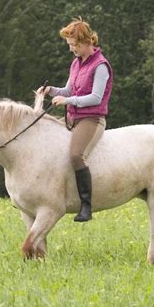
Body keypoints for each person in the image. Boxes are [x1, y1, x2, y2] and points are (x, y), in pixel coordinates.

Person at [38, 17, 114, 222]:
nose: (72, 49)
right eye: (70, 45)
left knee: (75, 155)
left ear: (87, 42)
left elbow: (95, 98)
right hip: (73, 118)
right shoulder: (76, 63)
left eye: (74, 45)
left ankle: (86, 206)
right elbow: (68, 90)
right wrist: (50, 90)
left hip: (91, 119)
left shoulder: (101, 66)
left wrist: (67, 100)